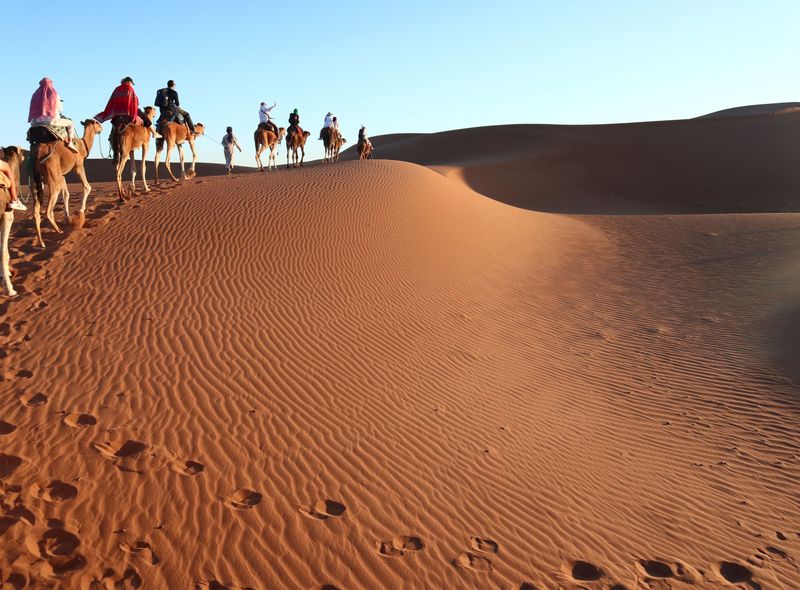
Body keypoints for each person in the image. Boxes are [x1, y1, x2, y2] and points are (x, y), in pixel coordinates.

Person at [28, 78, 79, 152]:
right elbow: (59, 107)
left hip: (35, 123)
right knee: (71, 123)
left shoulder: (35, 94)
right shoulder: (53, 93)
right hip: (51, 121)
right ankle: (70, 142)